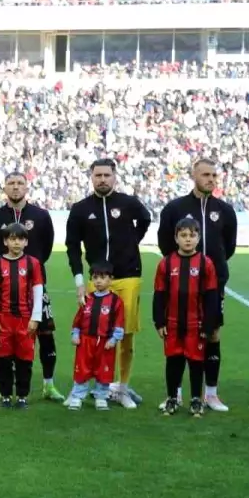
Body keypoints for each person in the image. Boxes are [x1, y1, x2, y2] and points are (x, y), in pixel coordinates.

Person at [65, 158, 151, 409]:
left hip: (128, 276)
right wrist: (80, 281)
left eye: (107, 175)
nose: (102, 179)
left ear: (115, 177)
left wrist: (131, 242)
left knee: (125, 335)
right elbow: (72, 247)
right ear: (91, 177)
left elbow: (145, 219)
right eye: (98, 175)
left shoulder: (128, 203)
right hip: (97, 280)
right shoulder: (80, 209)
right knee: (90, 335)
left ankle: (121, 387)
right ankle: (81, 387)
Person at [157, 159, 237, 412]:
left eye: (214, 174)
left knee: (212, 334)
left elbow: (229, 247)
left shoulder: (224, 210)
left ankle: (210, 394)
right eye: (205, 174)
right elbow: (164, 244)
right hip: (179, 286)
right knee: (178, 333)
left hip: (213, 285)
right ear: (193, 175)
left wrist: (212, 269)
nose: (211, 179)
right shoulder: (174, 208)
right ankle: (176, 394)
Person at [0, 171, 62, 402]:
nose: (15, 187)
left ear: (26, 187)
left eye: (19, 183)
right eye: (11, 183)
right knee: (3, 336)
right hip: (5, 289)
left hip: (35, 286)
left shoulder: (41, 215)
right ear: (4, 187)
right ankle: (2, 386)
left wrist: (29, 268)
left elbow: (45, 248)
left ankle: (49, 384)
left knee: (45, 334)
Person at [154, 217, 220, 418]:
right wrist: (159, 321)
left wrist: (208, 325)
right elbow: (159, 295)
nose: (188, 240)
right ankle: (172, 398)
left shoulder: (205, 263)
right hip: (173, 323)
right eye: (183, 235)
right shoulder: (166, 263)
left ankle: (195, 400)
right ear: (176, 238)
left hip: (196, 324)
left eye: (192, 235)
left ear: (199, 238)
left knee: (196, 362)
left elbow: (211, 297)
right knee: (173, 361)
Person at [0, 222, 45, 410]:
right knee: (2, 359)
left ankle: (21, 396)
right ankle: (5, 395)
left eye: (20, 239)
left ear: (26, 242)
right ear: (5, 241)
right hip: (2, 320)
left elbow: (38, 291)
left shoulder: (33, 263)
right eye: (12, 239)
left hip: (25, 320)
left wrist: (36, 318)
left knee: (24, 360)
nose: (16, 243)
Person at [66, 263, 125, 411]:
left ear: (110, 279)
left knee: (103, 370)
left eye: (103, 277)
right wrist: (75, 334)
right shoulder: (87, 298)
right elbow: (78, 320)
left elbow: (119, 322)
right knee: (82, 369)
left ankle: (101, 397)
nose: (98, 281)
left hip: (105, 343)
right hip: (85, 342)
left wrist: (113, 339)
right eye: (95, 277)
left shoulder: (116, 301)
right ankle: (77, 397)